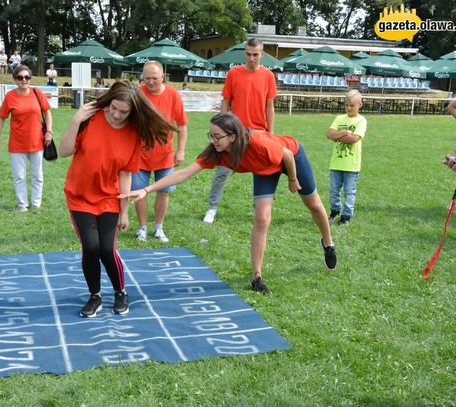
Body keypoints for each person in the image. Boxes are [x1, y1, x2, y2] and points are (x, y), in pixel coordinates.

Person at [121, 112, 337, 294]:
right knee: (261, 219)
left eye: (217, 136)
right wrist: (147, 189)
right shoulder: (217, 153)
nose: (213, 140)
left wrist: (292, 179)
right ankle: (256, 277)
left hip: (291, 158)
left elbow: (287, 155)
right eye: (211, 135)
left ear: (233, 136)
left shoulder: (258, 143)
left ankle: (328, 243)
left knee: (314, 205)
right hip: (264, 169)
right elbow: (183, 174)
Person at [59, 80, 176, 317]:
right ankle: (95, 296)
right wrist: (76, 119)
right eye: (113, 108)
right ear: (108, 102)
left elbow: (125, 174)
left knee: (107, 249)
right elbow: (63, 151)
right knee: (91, 248)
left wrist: (124, 211)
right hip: (79, 195)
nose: (116, 115)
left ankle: (120, 291)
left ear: (133, 112)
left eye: (124, 112)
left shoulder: (133, 135)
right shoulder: (91, 119)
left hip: (110, 197)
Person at [203, 38, 277, 224]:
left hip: (259, 133)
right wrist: (220, 128)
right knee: (222, 171)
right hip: (234, 132)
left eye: (255, 54)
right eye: (248, 54)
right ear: (245, 53)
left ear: (262, 54)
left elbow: (270, 106)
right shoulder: (233, 73)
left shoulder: (268, 76)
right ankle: (212, 208)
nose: (251, 58)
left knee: (262, 173)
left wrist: (271, 133)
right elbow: (226, 101)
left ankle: (259, 210)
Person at [132, 60, 188, 243]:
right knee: (139, 192)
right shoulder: (138, 94)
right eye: (147, 78)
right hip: (140, 155)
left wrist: (180, 150)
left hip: (165, 155)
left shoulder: (173, 95)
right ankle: (142, 228)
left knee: (163, 192)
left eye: (155, 78)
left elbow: (182, 124)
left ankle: (158, 227)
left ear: (163, 77)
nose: (151, 82)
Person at [0, 65, 53, 211]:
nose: (24, 80)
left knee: (37, 175)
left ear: (30, 79)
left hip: (36, 141)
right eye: (20, 77)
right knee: (19, 176)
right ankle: (22, 204)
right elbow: (1, 117)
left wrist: (49, 131)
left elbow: (47, 112)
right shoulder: (10, 97)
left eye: (27, 77)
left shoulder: (37, 93)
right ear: (15, 80)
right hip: (17, 143)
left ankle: (36, 203)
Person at [326, 90, 367, 225]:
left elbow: (354, 139)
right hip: (336, 163)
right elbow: (330, 134)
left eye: (352, 105)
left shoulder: (361, 120)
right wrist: (344, 132)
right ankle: (335, 210)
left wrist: (338, 136)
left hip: (351, 165)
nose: (348, 108)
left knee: (349, 192)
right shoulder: (339, 118)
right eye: (346, 105)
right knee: (333, 191)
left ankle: (346, 216)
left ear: (359, 105)